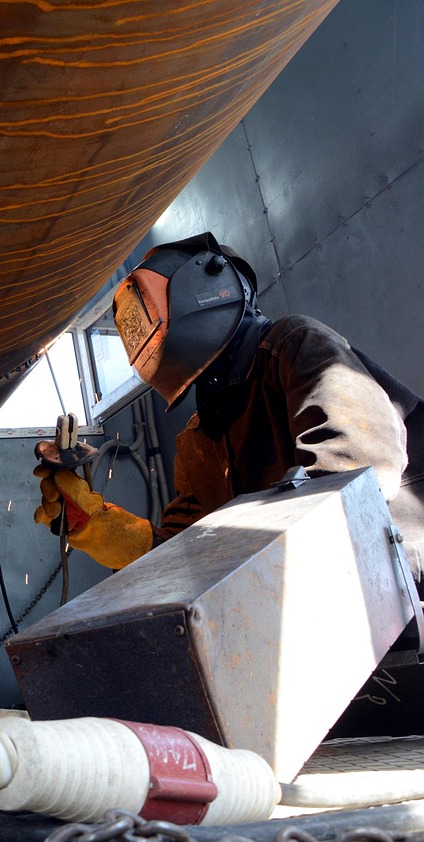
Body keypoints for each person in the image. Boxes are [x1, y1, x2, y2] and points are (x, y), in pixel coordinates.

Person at [34, 231, 424, 580]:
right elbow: (185, 552)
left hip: (397, 571)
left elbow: (355, 482)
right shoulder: (200, 437)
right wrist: (99, 525)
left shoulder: (293, 345)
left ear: (212, 281)